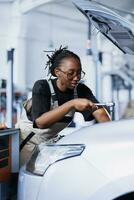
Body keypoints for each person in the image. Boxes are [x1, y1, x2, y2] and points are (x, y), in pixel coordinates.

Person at [17, 46, 111, 165]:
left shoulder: (81, 90)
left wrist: (113, 136)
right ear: (57, 72)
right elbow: (40, 122)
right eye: (71, 73)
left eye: (79, 73)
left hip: (47, 146)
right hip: (28, 144)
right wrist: (72, 104)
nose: (76, 78)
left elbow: (100, 113)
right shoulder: (42, 86)